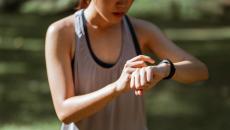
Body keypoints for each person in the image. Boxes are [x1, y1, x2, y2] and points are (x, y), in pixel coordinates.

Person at [45, 0, 209, 130]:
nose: (123, 3)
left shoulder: (141, 30)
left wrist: (165, 69)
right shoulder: (62, 33)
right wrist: (117, 87)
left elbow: (200, 70)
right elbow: (64, 111)